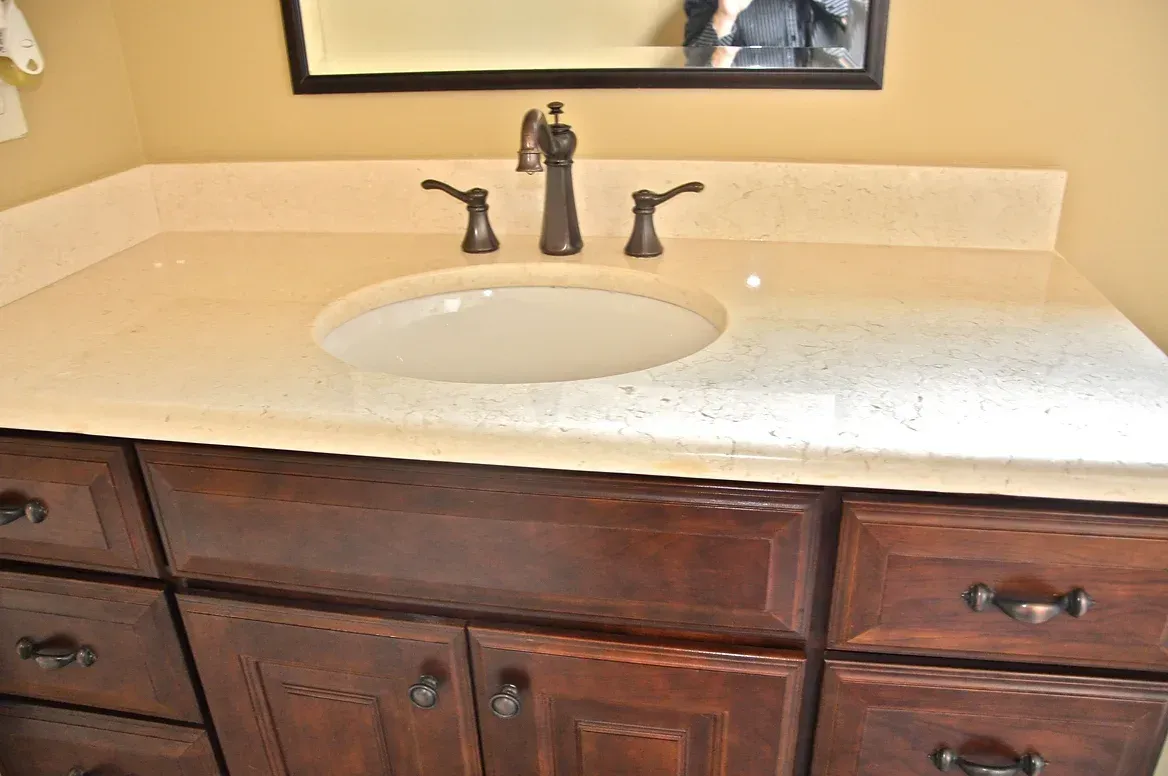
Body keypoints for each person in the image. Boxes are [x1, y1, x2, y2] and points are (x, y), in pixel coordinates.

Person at [684, 0, 853, 67]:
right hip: (749, 116)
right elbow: (694, 75)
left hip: (832, 109)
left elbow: (868, 26)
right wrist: (725, 17)